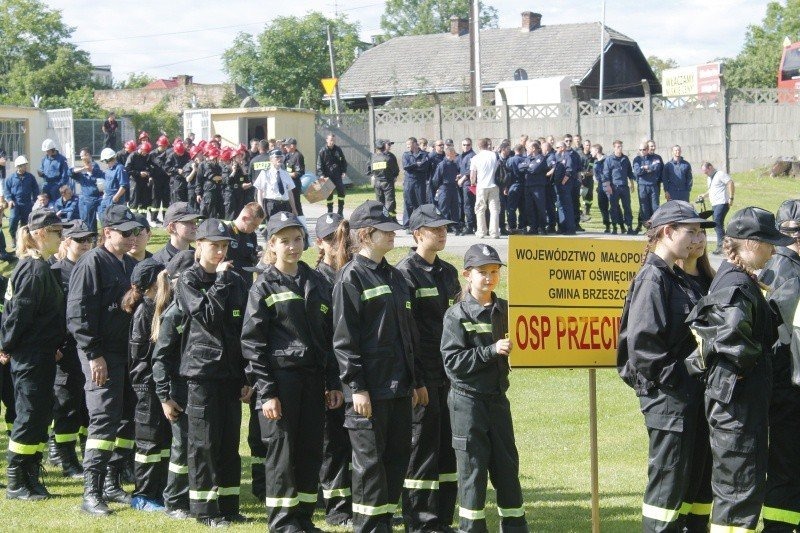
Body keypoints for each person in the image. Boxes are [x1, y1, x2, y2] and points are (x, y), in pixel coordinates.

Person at [686, 207, 790, 532]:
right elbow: (731, 341)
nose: (774, 249)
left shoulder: (741, 280)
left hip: (741, 408)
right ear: (748, 243)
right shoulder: (735, 285)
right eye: (768, 242)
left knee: (741, 497)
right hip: (737, 412)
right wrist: (755, 357)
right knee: (737, 503)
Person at [617, 201, 715, 532]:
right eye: (692, 230)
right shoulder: (652, 279)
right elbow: (644, 350)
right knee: (666, 494)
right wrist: (686, 377)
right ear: (668, 231)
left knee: (696, 491)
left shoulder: (678, 277)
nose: (699, 238)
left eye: (701, 231)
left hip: (691, 399)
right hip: (670, 402)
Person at [242, 212, 342, 532]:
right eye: (284, 241)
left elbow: (328, 338)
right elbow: (253, 344)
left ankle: (304, 518)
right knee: (282, 454)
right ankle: (283, 522)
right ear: (272, 244)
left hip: (313, 381)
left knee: (311, 450)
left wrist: (332, 382)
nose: (293, 247)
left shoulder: (315, 282)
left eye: (297, 239)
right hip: (281, 382)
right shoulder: (264, 287)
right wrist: (267, 391)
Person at [332, 200, 420, 532]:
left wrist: (414, 381)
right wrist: (357, 388)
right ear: (368, 235)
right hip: (370, 391)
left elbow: (407, 335)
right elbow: (344, 340)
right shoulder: (350, 278)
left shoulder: (394, 276)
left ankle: (382, 521)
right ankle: (369, 526)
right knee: (370, 468)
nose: (394, 235)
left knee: (395, 462)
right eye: (387, 231)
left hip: (398, 387)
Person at [440, 244, 528, 532]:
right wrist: (491, 351)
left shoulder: (505, 309)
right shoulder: (456, 315)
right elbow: (452, 362)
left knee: (506, 469)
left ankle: (515, 527)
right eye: (482, 272)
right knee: (472, 472)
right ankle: (472, 528)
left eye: (494, 271)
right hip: (468, 403)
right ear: (467, 275)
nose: (489, 278)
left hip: (497, 400)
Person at [67, 205, 142, 515]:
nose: (131, 237)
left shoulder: (127, 264)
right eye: (125, 233)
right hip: (101, 354)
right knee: (103, 417)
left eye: (134, 232)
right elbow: (77, 313)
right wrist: (93, 354)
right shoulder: (91, 263)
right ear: (107, 233)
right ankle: (91, 493)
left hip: (125, 353)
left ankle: (112, 484)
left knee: (125, 418)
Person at [176, 218, 250, 527]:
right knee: (203, 444)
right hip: (202, 372)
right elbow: (206, 314)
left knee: (229, 442)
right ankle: (204, 511)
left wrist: (248, 376)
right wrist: (219, 281)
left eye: (224, 246)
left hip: (231, 374)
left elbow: (245, 329)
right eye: (214, 246)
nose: (220, 252)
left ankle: (230, 506)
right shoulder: (188, 279)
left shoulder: (237, 281)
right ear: (198, 246)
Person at [396, 205, 461, 532]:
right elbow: (406, 334)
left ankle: (443, 519)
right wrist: (416, 379)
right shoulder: (404, 273)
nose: (442, 233)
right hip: (423, 374)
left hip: (451, 373)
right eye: (435, 229)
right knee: (422, 448)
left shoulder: (448, 272)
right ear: (418, 233)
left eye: (444, 228)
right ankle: (420, 522)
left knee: (449, 447)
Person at [0, 209, 66, 500]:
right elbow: (18, 315)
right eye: (57, 232)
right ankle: (17, 480)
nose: (61, 238)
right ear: (40, 234)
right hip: (30, 354)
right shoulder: (34, 269)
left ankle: (30, 474)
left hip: (42, 353)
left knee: (39, 414)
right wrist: (6, 346)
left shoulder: (42, 267)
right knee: (28, 416)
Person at [756, 200, 800, 532]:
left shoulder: (786, 267)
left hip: (788, 387)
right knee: (786, 470)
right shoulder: (784, 272)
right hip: (789, 391)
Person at [314, 213, 355, 528]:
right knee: (335, 444)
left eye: (341, 237)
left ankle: (362, 501)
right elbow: (321, 338)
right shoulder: (317, 280)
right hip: (334, 374)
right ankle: (337, 507)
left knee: (363, 442)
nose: (336, 244)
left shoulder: (357, 272)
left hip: (360, 370)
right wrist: (331, 382)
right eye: (330, 239)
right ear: (319, 244)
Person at [151, 250, 197, 520]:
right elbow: (160, 360)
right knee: (181, 447)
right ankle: (175, 501)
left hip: (197, 388)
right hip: (178, 392)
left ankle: (193, 495)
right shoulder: (174, 314)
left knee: (195, 445)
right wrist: (164, 397)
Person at [123, 258, 171, 512]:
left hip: (158, 386)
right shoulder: (145, 310)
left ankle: (160, 490)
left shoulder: (158, 306)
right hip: (147, 388)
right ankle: (142, 495)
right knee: (148, 443)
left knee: (162, 443)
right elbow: (142, 359)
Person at [50, 220, 96, 479]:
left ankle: (85, 454)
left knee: (86, 406)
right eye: (80, 240)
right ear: (66, 241)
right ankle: (67, 459)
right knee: (66, 405)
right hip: (65, 349)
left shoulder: (92, 269)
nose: (86, 244)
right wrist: (54, 345)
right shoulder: (56, 272)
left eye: (89, 239)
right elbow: (52, 315)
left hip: (87, 347)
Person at [698, 162, 734, 255]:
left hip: (722, 202)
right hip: (715, 204)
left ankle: (721, 246)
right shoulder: (709, 178)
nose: (705, 173)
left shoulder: (720, 174)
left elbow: (730, 183)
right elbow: (711, 190)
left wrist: (731, 197)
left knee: (717, 223)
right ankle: (726, 245)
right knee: (717, 224)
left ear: (710, 167)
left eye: (706, 171)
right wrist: (704, 195)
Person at [5, 155, 40, 248]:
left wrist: (35, 200)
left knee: (25, 224)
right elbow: (7, 190)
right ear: (18, 166)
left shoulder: (30, 177)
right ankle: (13, 238)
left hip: (27, 203)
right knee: (13, 221)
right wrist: (9, 200)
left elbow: (36, 189)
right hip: (15, 204)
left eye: (25, 165)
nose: (25, 167)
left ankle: (24, 241)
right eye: (24, 165)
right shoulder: (11, 178)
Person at [602, 140, 637, 235]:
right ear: (614, 148)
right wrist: (608, 186)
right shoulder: (609, 160)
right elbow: (606, 174)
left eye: (621, 146)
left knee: (627, 207)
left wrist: (632, 183)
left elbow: (629, 172)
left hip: (624, 187)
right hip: (613, 187)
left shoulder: (625, 159)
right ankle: (614, 227)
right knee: (614, 208)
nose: (620, 148)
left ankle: (629, 227)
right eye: (618, 147)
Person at [253, 149, 297, 219]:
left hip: (285, 205)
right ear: (271, 159)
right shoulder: (265, 173)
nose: (279, 159)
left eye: (281, 157)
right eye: (277, 157)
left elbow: (290, 192)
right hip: (272, 205)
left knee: (285, 227)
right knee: (273, 228)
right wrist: (261, 208)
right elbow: (260, 192)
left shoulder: (285, 174)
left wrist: (294, 209)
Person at [470, 138, 500, 239]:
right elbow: (496, 168)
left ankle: (481, 232)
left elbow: (472, 175)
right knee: (494, 209)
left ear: (478, 146)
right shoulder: (493, 155)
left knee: (480, 209)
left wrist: (473, 183)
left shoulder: (475, 158)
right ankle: (494, 232)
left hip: (481, 186)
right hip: (493, 184)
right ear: (487, 145)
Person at [72, 147, 104, 232]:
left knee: (102, 220)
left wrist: (88, 169)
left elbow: (94, 171)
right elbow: (70, 172)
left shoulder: (95, 166)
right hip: (85, 199)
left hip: (96, 198)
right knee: (87, 222)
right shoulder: (82, 170)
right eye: (81, 156)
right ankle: (91, 239)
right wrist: (83, 169)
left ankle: (99, 238)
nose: (81, 158)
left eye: (83, 156)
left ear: (88, 155)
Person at [402, 137, 430, 226]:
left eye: (409, 144)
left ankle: (421, 223)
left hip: (420, 182)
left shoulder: (424, 154)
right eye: (406, 145)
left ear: (414, 144)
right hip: (409, 182)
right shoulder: (405, 155)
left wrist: (413, 167)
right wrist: (416, 165)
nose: (407, 147)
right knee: (408, 203)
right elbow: (406, 167)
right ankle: (407, 224)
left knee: (421, 203)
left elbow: (424, 167)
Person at [317, 134, 348, 216]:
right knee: (329, 195)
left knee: (341, 193)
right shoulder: (322, 151)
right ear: (327, 140)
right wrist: (321, 175)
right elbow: (319, 164)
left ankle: (340, 211)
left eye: (333, 140)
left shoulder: (338, 150)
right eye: (330, 140)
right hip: (327, 176)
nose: (332, 142)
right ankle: (330, 211)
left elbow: (343, 162)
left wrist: (344, 171)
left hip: (337, 176)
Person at [370, 139, 399, 222]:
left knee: (379, 202)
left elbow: (370, 169)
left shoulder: (373, 157)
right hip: (387, 182)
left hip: (377, 182)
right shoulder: (387, 158)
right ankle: (387, 219)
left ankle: (381, 219)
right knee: (389, 201)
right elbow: (395, 170)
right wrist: (394, 176)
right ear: (383, 147)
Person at [431, 147, 461, 227]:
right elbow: (436, 179)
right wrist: (439, 188)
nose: (455, 155)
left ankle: (455, 227)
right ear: (449, 154)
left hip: (453, 188)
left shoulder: (454, 164)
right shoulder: (442, 165)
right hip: (444, 188)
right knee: (444, 208)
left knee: (455, 208)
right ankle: (442, 226)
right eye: (454, 154)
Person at [98, 148, 129, 224]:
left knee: (114, 219)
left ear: (109, 159)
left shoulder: (120, 168)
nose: (105, 163)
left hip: (115, 199)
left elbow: (124, 186)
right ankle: (106, 232)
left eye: (105, 161)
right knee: (102, 215)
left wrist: (116, 197)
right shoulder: (109, 169)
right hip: (107, 198)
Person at [38, 139, 69, 208]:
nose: (47, 152)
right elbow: (41, 170)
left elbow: (65, 176)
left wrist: (58, 186)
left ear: (53, 149)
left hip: (57, 187)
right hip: (46, 185)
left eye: (48, 151)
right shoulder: (44, 159)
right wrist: (41, 174)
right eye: (46, 151)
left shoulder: (62, 159)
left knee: (56, 206)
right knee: (44, 206)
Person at [148, 135, 172, 224]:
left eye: (166, 146)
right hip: (156, 180)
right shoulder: (152, 154)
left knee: (166, 199)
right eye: (163, 146)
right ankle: (154, 219)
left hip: (166, 180)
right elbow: (148, 166)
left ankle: (166, 218)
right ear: (159, 145)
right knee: (156, 199)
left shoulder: (169, 154)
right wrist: (150, 176)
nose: (165, 148)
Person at [196, 146, 224, 219]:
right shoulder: (204, 165)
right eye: (217, 157)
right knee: (207, 213)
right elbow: (200, 180)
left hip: (218, 192)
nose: (219, 159)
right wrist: (198, 193)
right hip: (209, 193)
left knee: (219, 213)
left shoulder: (218, 166)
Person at [126, 141, 153, 217]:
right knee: (134, 202)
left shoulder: (146, 156)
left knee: (143, 203)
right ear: (141, 149)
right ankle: (132, 220)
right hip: (134, 182)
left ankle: (142, 219)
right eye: (145, 152)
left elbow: (149, 167)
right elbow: (127, 169)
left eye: (147, 153)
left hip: (144, 182)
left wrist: (148, 174)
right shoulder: (133, 156)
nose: (145, 154)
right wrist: (139, 173)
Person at [456, 139, 476, 235]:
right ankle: (467, 224)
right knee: (464, 205)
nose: (466, 146)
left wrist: (462, 178)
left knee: (468, 205)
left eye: (468, 145)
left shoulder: (472, 155)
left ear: (471, 145)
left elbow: (470, 170)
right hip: (463, 184)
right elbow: (461, 169)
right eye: (464, 145)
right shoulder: (461, 156)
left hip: (468, 184)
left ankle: (470, 226)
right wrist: (459, 175)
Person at [283, 138, 305, 217]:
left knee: (296, 204)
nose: (285, 147)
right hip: (288, 184)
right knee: (288, 205)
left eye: (286, 145)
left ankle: (302, 223)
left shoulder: (298, 156)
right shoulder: (288, 155)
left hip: (295, 184)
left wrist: (286, 174)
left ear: (292, 146)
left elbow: (299, 172)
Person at [166, 139, 191, 204]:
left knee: (185, 198)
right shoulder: (172, 156)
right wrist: (176, 170)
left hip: (186, 179)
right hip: (176, 180)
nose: (181, 154)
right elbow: (167, 167)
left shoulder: (187, 155)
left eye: (182, 152)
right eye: (179, 153)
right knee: (176, 198)